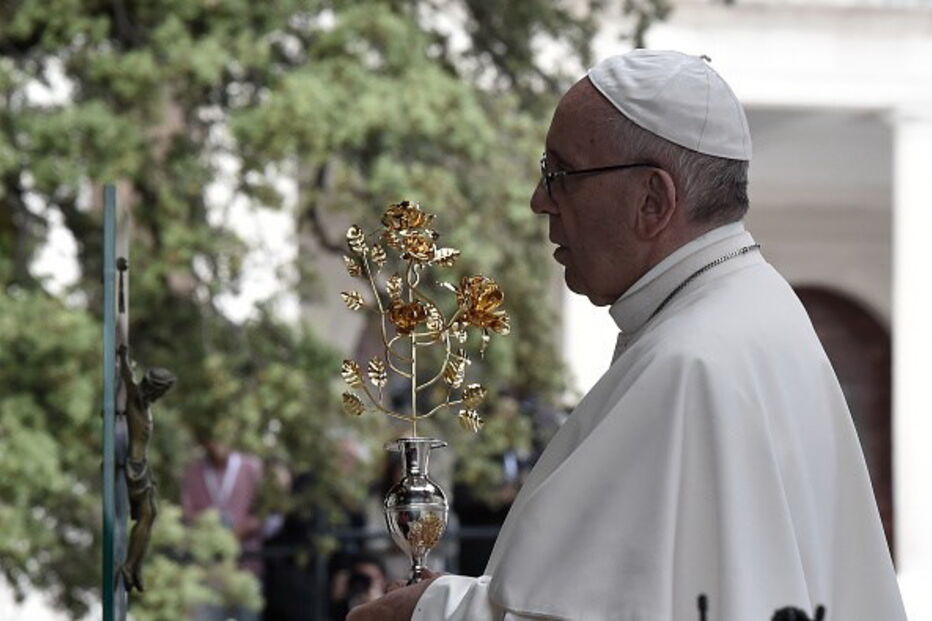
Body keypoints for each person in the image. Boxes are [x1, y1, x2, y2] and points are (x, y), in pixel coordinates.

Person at [347, 50, 907, 620]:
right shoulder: (752, 312)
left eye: (559, 175)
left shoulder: (691, 362)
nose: (540, 201)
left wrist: (427, 612)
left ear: (653, 201)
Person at [182, 434, 264, 621]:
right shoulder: (194, 471)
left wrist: (244, 529)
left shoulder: (251, 467)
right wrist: (209, 532)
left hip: (246, 564)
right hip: (207, 569)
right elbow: (187, 513)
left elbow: (264, 513)